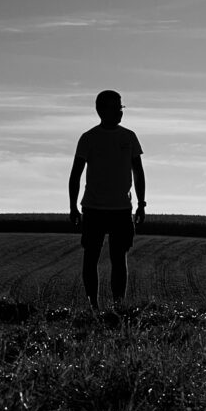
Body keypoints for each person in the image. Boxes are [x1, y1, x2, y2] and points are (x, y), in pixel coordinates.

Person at [68, 90, 146, 313]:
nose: (120, 112)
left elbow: (139, 173)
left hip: (122, 209)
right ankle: (93, 307)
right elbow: (75, 175)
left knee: (119, 259)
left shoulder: (129, 137)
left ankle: (118, 308)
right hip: (93, 209)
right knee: (90, 257)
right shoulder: (88, 138)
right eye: (116, 107)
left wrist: (142, 204)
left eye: (121, 107)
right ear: (101, 110)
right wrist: (73, 207)